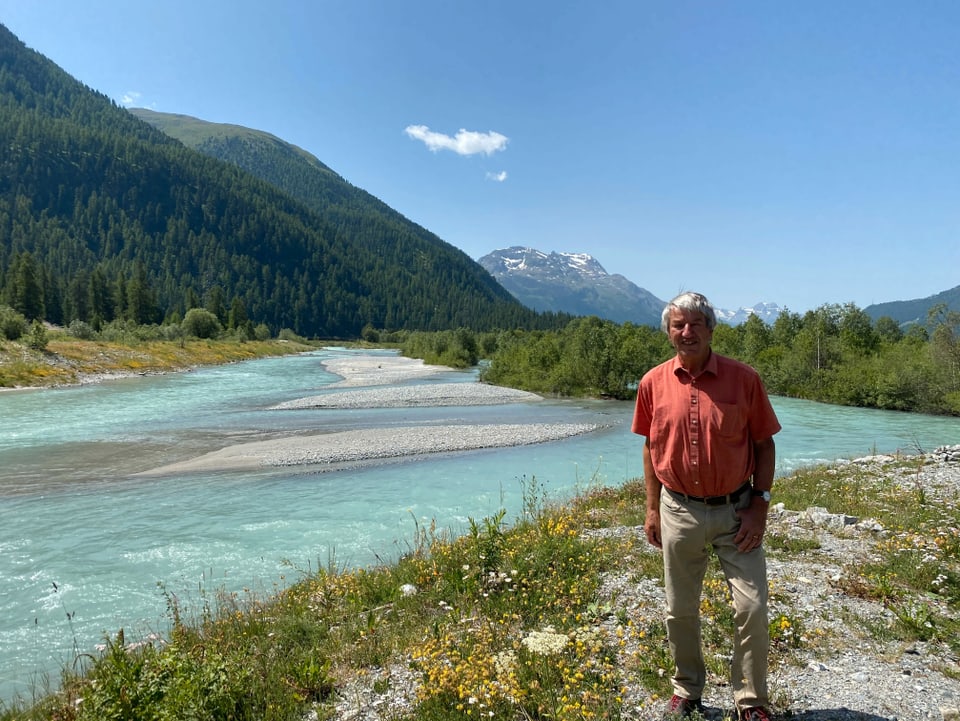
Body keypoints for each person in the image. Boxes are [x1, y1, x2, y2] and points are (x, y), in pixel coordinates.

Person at [632, 292, 781, 721]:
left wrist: (760, 505)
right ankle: (687, 689)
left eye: (696, 323)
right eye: (678, 325)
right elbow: (649, 448)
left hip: (737, 510)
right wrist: (651, 508)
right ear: (668, 333)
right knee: (679, 608)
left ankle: (751, 702)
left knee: (751, 607)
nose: (687, 332)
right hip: (678, 508)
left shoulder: (744, 379)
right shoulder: (652, 383)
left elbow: (764, 443)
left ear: (712, 329)